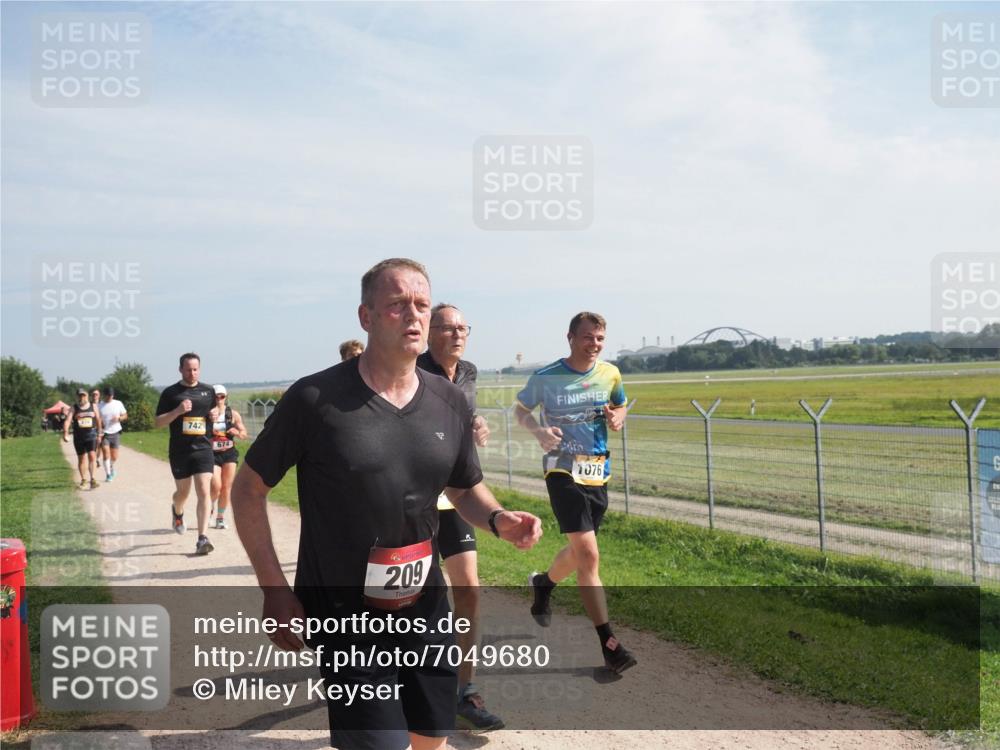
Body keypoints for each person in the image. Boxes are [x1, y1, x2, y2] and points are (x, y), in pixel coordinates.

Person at [231, 258, 542, 750]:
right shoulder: (315, 399)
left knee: (430, 736)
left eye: (421, 304)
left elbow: (462, 488)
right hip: (345, 609)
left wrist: (499, 518)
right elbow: (248, 490)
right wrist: (274, 589)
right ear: (366, 316)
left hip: (425, 602)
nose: (414, 316)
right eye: (397, 305)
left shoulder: (448, 399)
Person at [514, 312, 636, 675]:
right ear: (570, 337)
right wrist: (538, 433)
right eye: (588, 337)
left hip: (598, 471)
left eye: (599, 338)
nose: (594, 344)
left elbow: (620, 403)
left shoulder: (611, 373)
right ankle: (609, 644)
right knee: (590, 556)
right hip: (561, 467)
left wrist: (619, 416)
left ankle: (543, 584)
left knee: (581, 553)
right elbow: (520, 409)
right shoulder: (546, 376)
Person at [415, 303, 501, 732]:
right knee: (416, 599)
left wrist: (477, 424)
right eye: (447, 328)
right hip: (414, 502)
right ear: (429, 332)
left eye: (463, 327)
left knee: (468, 589)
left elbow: (462, 419)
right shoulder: (413, 371)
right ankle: (407, 682)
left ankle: (464, 690)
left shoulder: (467, 372)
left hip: (457, 498)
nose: (457, 334)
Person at [155, 353, 219, 555]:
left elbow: (215, 411)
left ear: (199, 369)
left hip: (203, 448)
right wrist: (177, 411)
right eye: (188, 369)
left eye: (195, 369)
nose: (192, 373)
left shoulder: (208, 391)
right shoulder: (171, 393)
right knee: (183, 493)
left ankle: (202, 538)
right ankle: (177, 511)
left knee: (204, 491)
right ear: (180, 369)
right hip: (180, 451)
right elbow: (158, 422)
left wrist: (215, 414)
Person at [208, 384, 248, 530]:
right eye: (216, 396)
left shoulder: (233, 414)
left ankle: (220, 517)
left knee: (226, 488)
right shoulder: (207, 413)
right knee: (216, 486)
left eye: (222, 396)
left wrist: (237, 432)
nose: (219, 399)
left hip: (229, 453)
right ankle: (209, 508)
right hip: (212, 454)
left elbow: (244, 433)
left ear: (226, 397)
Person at [64, 388, 103, 489]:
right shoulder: (74, 408)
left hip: (91, 435)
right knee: (81, 459)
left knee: (92, 456)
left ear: (87, 396)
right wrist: (65, 432)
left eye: (84, 395)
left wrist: (99, 433)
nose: (82, 397)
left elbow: (98, 419)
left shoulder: (93, 406)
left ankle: (93, 479)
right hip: (79, 437)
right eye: (80, 396)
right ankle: (83, 480)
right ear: (78, 397)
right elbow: (68, 420)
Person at [97, 386, 128, 481]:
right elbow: (97, 419)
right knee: (106, 453)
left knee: (114, 456)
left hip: (116, 432)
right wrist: (99, 429)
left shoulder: (118, 403)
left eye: (111, 395)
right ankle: (108, 474)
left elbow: (125, 415)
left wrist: (119, 418)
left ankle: (110, 467)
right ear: (104, 395)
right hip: (105, 433)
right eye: (108, 395)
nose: (110, 397)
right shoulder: (100, 405)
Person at [91, 389, 103, 469]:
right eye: (93, 394)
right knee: (93, 446)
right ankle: (93, 459)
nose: (95, 396)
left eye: (96, 394)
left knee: (100, 445)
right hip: (92, 427)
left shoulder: (102, 404)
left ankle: (97, 459)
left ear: (99, 395)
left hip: (101, 427)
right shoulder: (89, 405)